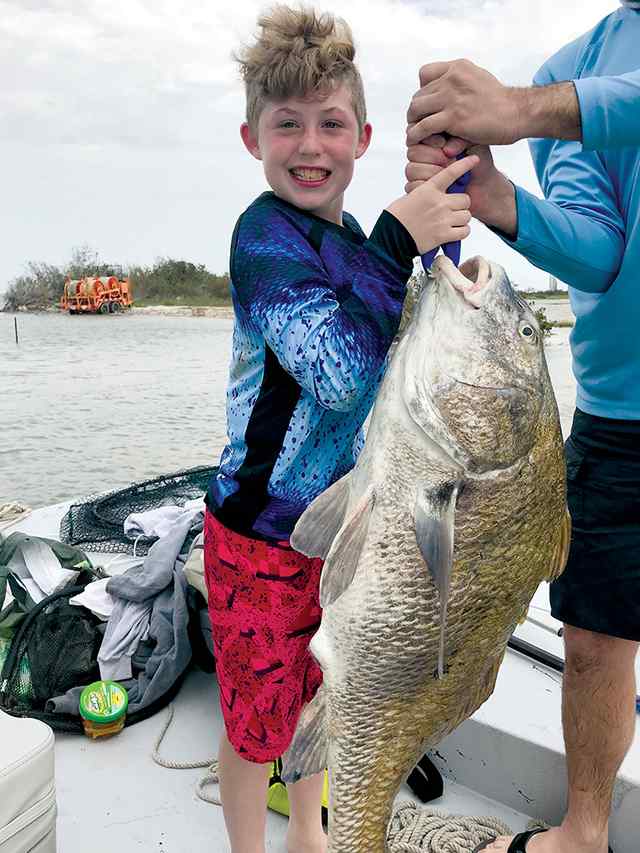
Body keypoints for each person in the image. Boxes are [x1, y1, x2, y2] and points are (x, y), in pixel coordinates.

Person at [203, 6, 478, 853]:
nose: (311, 145)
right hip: (258, 537)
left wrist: (438, 264)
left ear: (361, 138)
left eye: (330, 124)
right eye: (288, 125)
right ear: (253, 138)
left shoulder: (355, 239)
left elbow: (395, 348)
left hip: (344, 532)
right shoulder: (264, 239)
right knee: (258, 725)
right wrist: (400, 237)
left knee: (322, 695)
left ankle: (308, 837)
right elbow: (338, 375)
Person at [404, 3, 640, 853]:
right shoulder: (572, 62)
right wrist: (502, 201)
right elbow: (603, 252)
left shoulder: (546, 93)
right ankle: (584, 829)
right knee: (594, 637)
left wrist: (522, 110)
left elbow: (551, 107)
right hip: (622, 411)